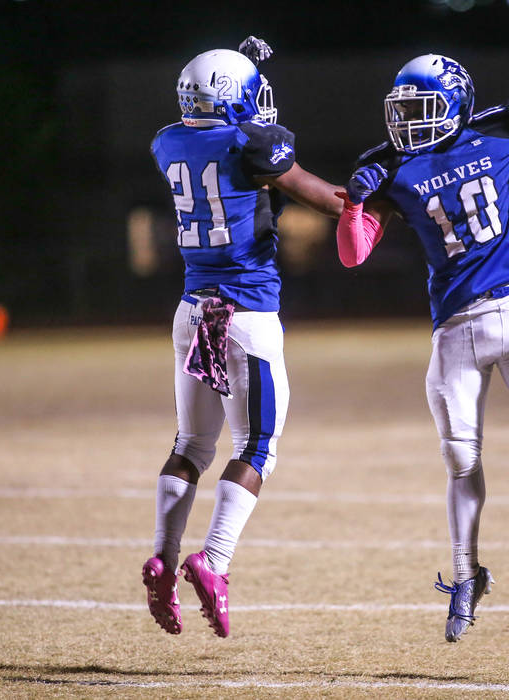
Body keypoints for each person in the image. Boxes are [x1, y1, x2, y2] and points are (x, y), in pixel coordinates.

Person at [335, 2, 509, 642]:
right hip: (454, 326)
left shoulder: (502, 132)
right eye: (398, 111)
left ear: (452, 106)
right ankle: (463, 576)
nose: (405, 124)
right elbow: (353, 254)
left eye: (418, 110)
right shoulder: (392, 167)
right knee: (460, 459)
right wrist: (355, 201)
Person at [142, 37, 341, 638]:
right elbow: (323, 196)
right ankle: (215, 561)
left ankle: (162, 555)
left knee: (192, 444)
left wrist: (238, 68)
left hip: (191, 311)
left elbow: (216, 129)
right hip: (245, 315)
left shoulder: (166, 141)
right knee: (257, 448)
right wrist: (385, 200)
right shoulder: (253, 144)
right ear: (230, 104)